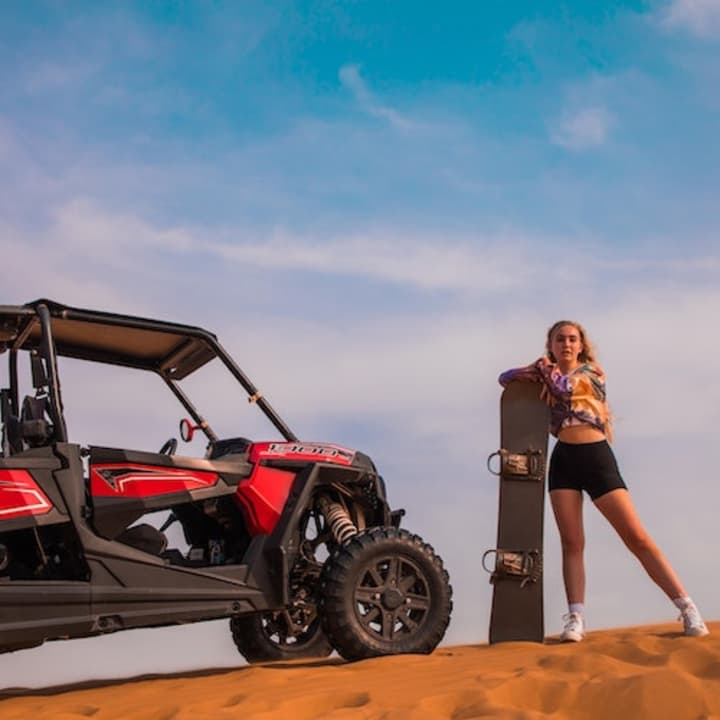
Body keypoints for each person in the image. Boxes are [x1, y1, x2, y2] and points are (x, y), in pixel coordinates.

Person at [498, 320, 709, 642]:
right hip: (563, 461)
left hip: (596, 458)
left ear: (581, 345)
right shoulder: (547, 374)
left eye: (572, 339)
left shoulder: (592, 373)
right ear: (551, 345)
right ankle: (576, 618)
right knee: (572, 543)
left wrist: (545, 370)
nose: (566, 344)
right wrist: (537, 369)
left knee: (636, 537)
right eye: (560, 340)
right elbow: (506, 380)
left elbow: (565, 389)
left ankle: (687, 607)